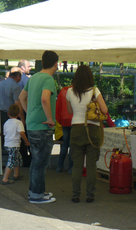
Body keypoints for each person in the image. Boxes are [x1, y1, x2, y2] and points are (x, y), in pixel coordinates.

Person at [19, 50, 59, 204]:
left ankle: (36, 191)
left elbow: (21, 97)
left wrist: (30, 113)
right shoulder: (48, 79)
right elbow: (44, 99)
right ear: (56, 64)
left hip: (32, 124)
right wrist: (50, 118)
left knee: (37, 160)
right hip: (42, 127)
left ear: (42, 63)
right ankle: (36, 195)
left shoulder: (33, 77)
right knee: (41, 162)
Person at [66, 65, 108, 204]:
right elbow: (104, 110)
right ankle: (90, 195)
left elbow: (70, 110)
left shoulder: (70, 91)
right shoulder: (95, 91)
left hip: (76, 128)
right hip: (93, 129)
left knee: (77, 165)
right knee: (91, 165)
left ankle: (75, 194)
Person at [0, 67, 24, 151]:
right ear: (17, 76)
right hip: (12, 116)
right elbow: (18, 104)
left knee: (2, 135)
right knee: (14, 136)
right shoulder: (15, 86)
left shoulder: (0, 84)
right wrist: (22, 118)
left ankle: (2, 154)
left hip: (1, 113)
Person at [1, 104, 30, 184]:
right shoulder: (18, 123)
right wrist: (26, 141)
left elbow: (5, 134)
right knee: (11, 161)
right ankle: (5, 178)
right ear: (18, 114)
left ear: (8, 114)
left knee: (17, 158)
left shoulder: (6, 123)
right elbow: (21, 133)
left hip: (7, 144)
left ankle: (16, 174)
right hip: (14, 145)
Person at [55, 85, 73, 174]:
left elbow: (58, 106)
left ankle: (59, 166)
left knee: (65, 145)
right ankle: (71, 168)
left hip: (64, 120)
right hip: (73, 120)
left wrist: (59, 119)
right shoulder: (77, 91)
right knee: (72, 145)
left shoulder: (63, 91)